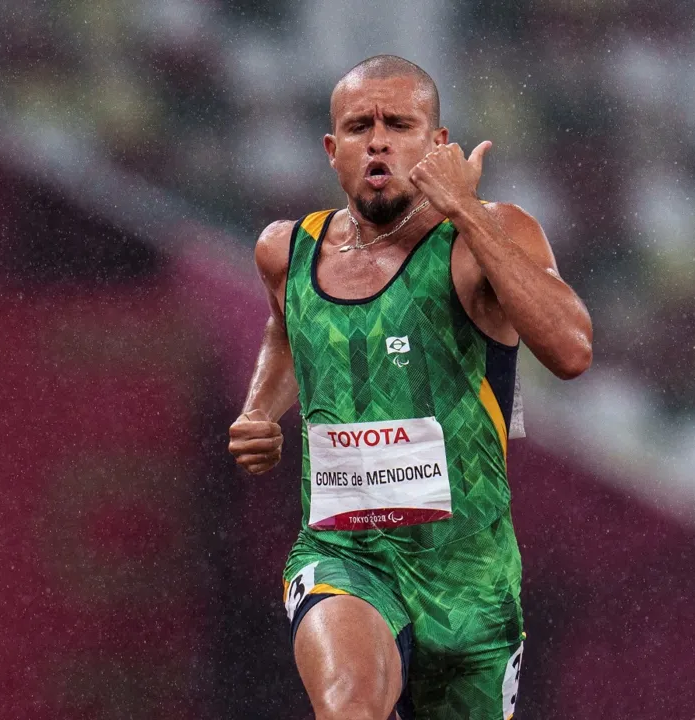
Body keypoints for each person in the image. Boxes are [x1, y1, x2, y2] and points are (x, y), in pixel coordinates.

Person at [228, 55, 592, 720]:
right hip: (345, 555)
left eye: (398, 124)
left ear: (438, 145)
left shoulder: (488, 235)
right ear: (332, 151)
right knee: (348, 707)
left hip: (470, 579)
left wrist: (466, 211)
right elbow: (286, 327)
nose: (377, 140)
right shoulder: (288, 250)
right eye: (358, 127)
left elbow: (570, 350)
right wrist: (260, 409)